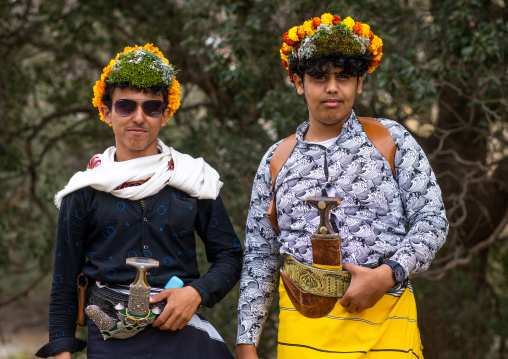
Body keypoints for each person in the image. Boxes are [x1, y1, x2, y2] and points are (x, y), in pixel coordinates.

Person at [236, 13, 448, 359]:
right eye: (319, 77)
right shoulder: (276, 159)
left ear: (359, 83)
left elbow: (433, 221)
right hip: (302, 330)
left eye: (344, 76)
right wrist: (247, 342)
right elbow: (260, 254)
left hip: (387, 325)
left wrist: (387, 274)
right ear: (298, 81)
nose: (332, 87)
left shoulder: (390, 140)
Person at [36, 44, 242, 359]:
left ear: (166, 114)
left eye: (151, 107)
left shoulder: (194, 179)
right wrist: (62, 351)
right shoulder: (84, 190)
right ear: (106, 111)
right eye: (125, 106)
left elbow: (230, 256)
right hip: (111, 343)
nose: (139, 117)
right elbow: (64, 280)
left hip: (184, 340)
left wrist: (195, 293)